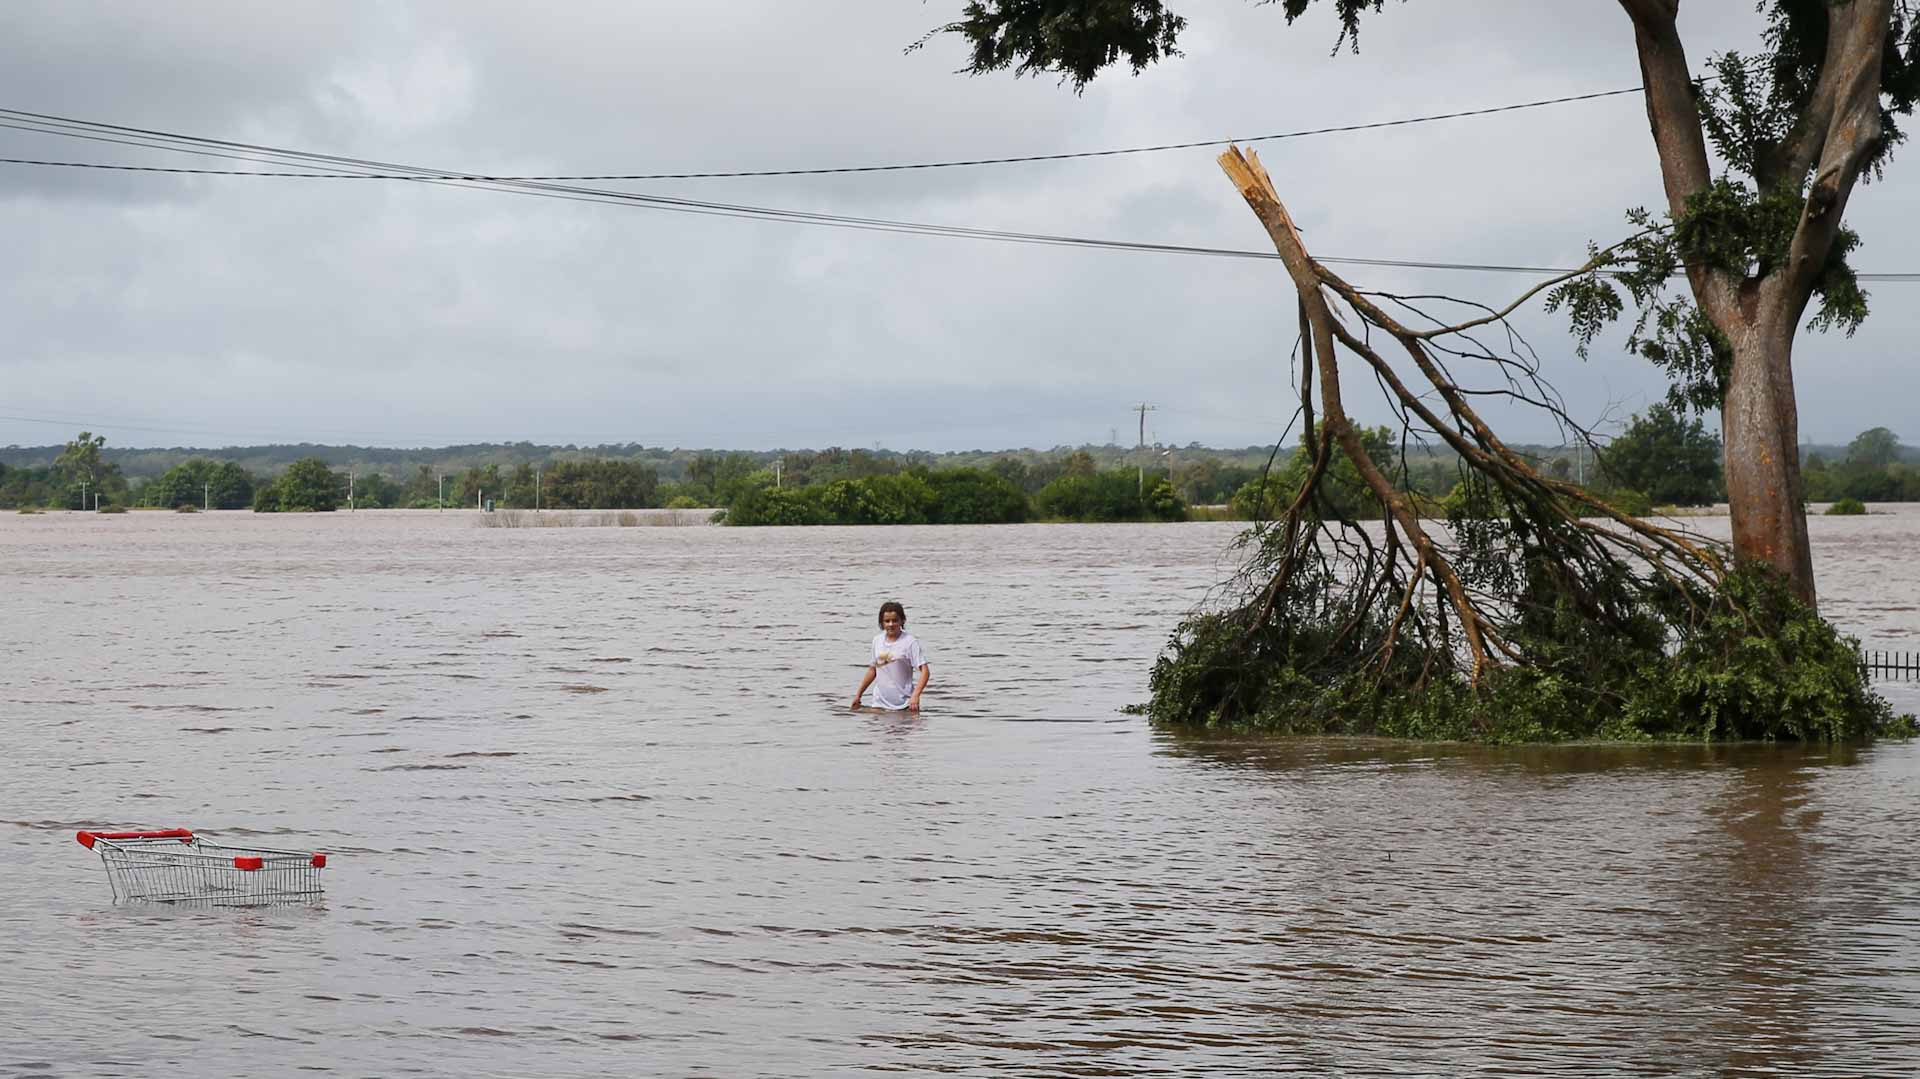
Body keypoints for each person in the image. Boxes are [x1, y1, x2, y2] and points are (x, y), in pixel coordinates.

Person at [850, 600, 930, 712]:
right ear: (882, 623)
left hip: (904, 705)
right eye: (887, 621)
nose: (891, 624)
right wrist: (858, 694)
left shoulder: (909, 642)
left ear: (902, 621)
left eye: (895, 620)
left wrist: (915, 696)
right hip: (879, 704)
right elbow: (873, 670)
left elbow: (925, 671)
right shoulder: (877, 641)